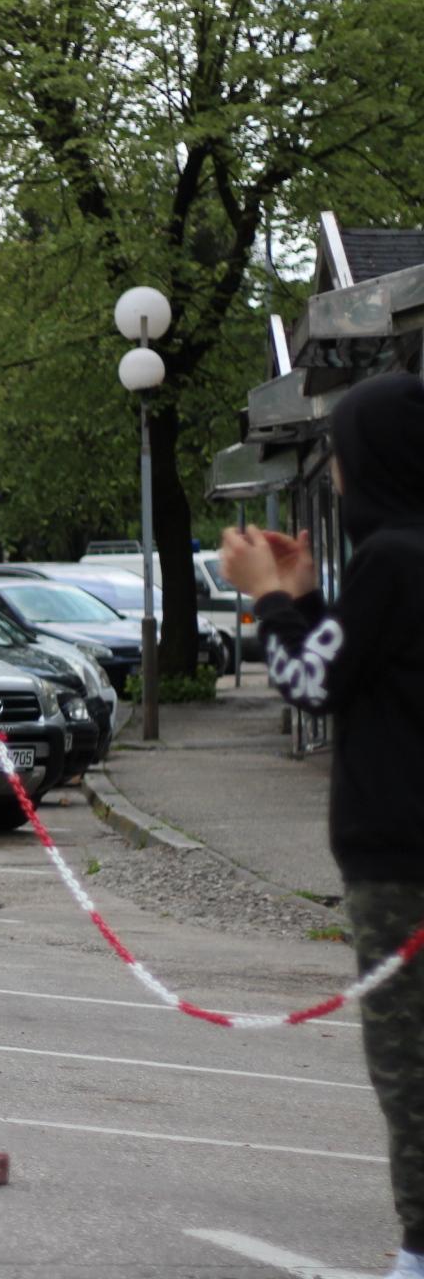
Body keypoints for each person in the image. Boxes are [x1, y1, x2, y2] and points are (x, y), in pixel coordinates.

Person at [220, 371, 424, 1279]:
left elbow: (310, 686)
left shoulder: (394, 561)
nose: (334, 473)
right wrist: (303, 599)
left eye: (340, 451)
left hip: (402, 859)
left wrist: (264, 597)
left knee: (409, 1070)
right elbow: (352, 668)